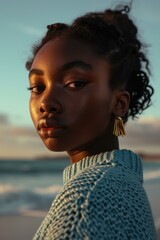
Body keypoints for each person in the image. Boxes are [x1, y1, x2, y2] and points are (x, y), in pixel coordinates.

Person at [26, 4, 157, 240]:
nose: (46, 103)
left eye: (75, 83)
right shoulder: (123, 182)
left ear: (119, 103)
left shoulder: (86, 201)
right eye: (37, 87)